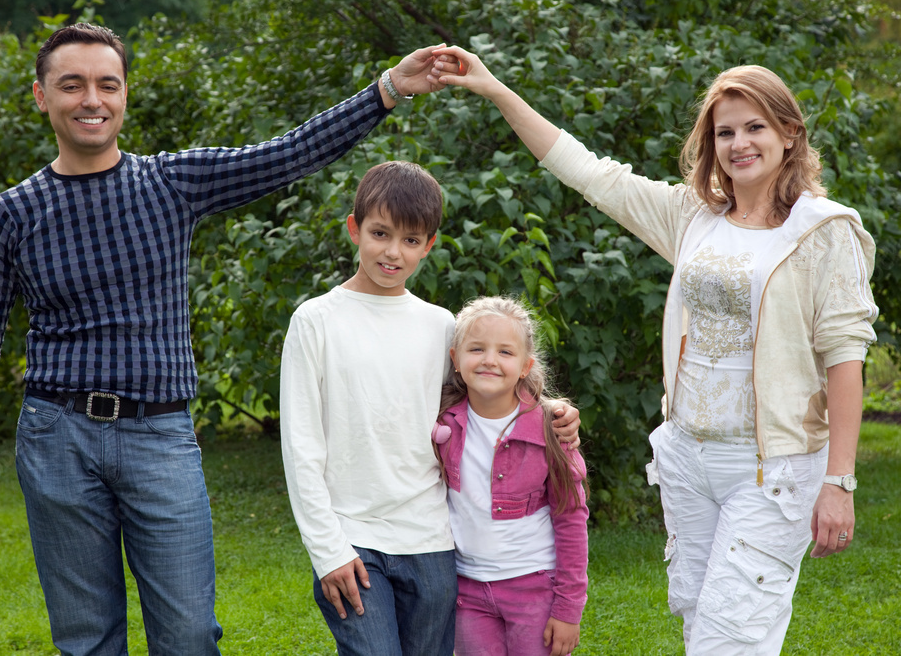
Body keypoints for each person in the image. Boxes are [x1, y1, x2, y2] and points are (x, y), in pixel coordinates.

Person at [0, 20, 458, 655]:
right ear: (43, 96)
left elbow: (288, 153)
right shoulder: (12, 213)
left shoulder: (170, 184)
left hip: (160, 438)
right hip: (57, 441)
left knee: (187, 635)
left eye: (107, 84)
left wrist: (387, 90)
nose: (91, 100)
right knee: (85, 639)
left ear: (125, 95)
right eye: (71, 85)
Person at [433, 48, 878, 653]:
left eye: (755, 127)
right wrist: (494, 90)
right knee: (700, 620)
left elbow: (846, 360)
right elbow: (586, 171)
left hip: (771, 466)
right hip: (689, 456)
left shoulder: (825, 231)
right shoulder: (694, 216)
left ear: (790, 134)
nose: (739, 143)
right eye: (725, 132)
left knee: (731, 635)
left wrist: (839, 481)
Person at [279, 161, 582, 655]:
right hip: (352, 541)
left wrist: (550, 410)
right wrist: (328, 550)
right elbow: (300, 446)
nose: (393, 252)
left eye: (412, 240)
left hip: (432, 542)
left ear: (430, 245)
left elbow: (487, 392)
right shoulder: (316, 321)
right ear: (354, 228)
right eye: (380, 233)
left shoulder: (439, 325)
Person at [432, 295, 589, 656]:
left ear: (525, 366)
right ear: (455, 360)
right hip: (467, 589)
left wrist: (568, 609)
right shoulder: (443, 423)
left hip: (534, 586)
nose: (489, 360)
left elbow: (571, 520)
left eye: (505, 352)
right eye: (476, 349)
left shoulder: (551, 430)